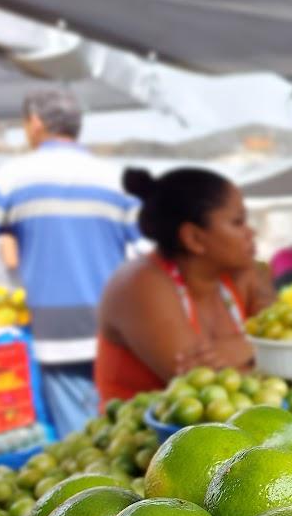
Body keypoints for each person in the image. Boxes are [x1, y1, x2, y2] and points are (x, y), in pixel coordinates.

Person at [0, 89, 140, 436]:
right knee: (121, 431)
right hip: (117, 330)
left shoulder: (11, 178)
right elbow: (148, 253)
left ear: (35, 123)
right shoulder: (117, 180)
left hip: (57, 334)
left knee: (81, 443)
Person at [95, 168, 274, 402]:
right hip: (145, 425)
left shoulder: (242, 274)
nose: (251, 232)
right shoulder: (140, 284)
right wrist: (258, 349)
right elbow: (202, 387)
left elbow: (287, 341)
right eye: (238, 222)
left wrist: (240, 349)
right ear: (194, 238)